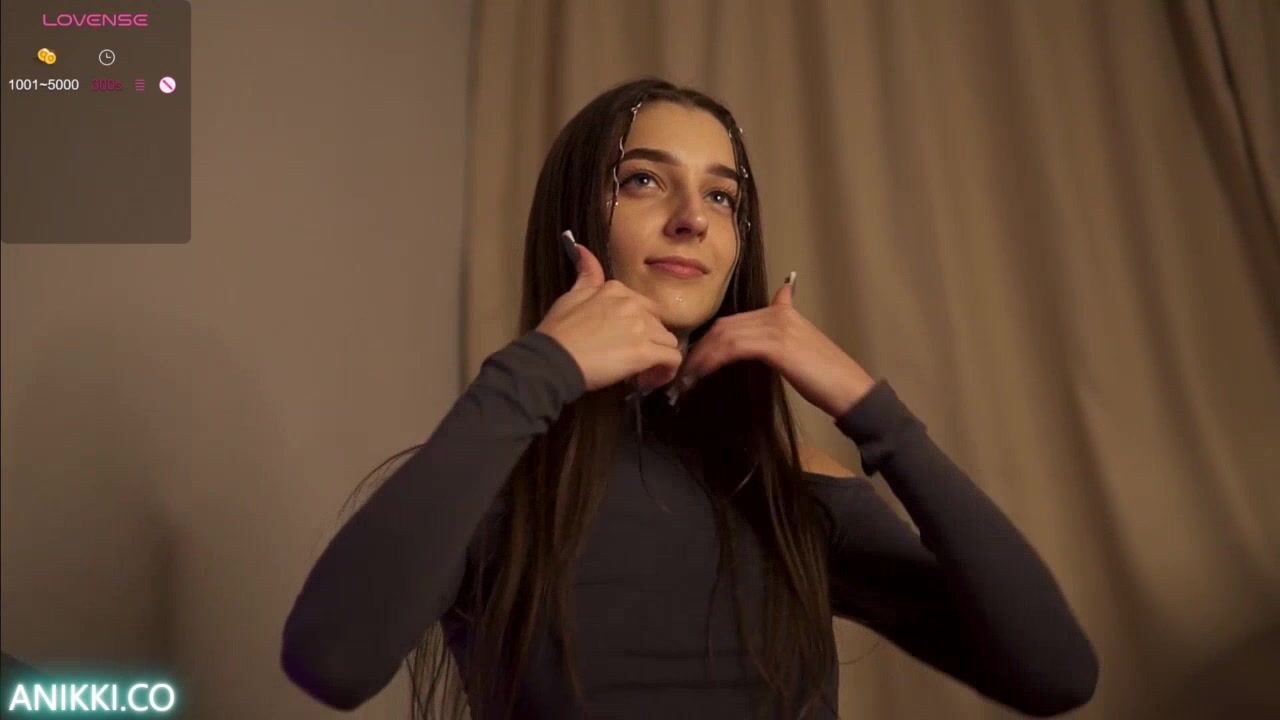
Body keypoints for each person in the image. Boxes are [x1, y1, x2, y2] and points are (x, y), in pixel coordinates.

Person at [280, 77, 1098, 719]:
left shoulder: (784, 485)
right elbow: (332, 661)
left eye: (720, 196)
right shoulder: (493, 472)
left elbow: (1056, 674)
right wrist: (534, 372)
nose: (691, 221)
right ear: (572, 222)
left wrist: (869, 407)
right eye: (644, 180)